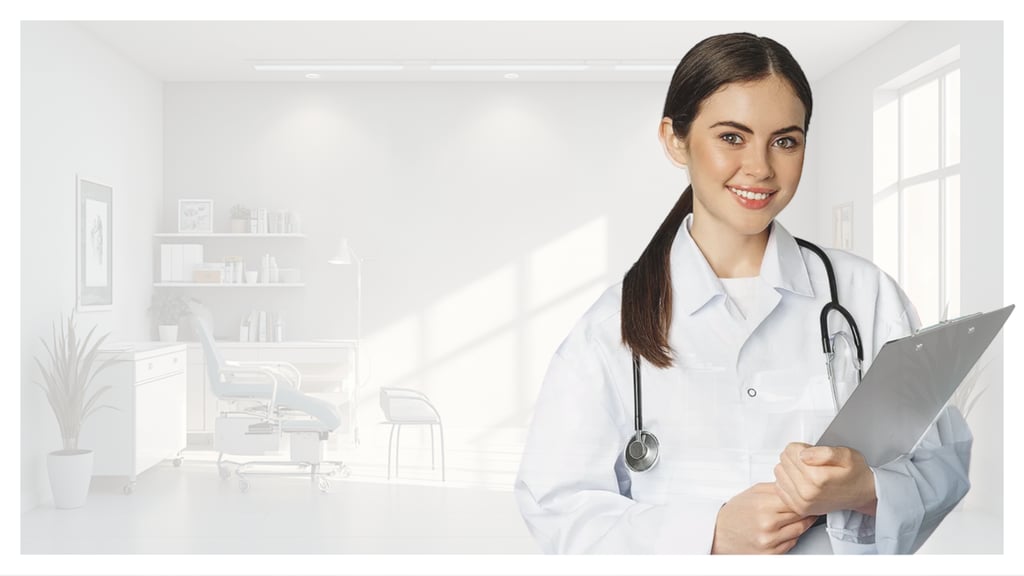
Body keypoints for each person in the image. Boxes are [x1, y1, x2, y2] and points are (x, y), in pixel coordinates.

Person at [514, 32, 973, 554]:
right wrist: (709, 535)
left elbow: (944, 461)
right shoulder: (611, 327)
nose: (760, 167)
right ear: (675, 139)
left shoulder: (863, 296)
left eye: (785, 140)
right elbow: (556, 505)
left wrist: (867, 488)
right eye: (732, 137)